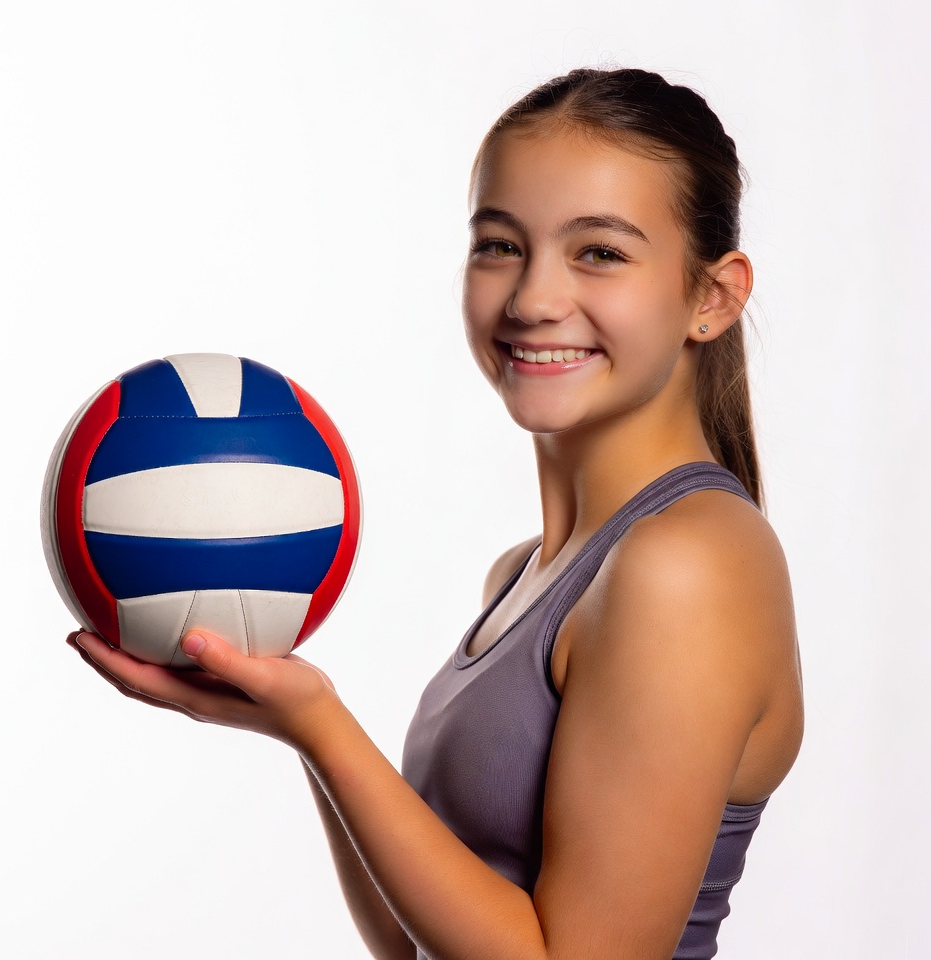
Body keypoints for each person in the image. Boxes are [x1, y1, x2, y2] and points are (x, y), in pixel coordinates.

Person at [70, 67, 804, 960]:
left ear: (711, 297)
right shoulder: (524, 575)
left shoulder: (686, 563)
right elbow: (415, 939)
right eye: (500, 245)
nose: (534, 298)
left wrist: (322, 725)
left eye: (599, 252)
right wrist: (291, 726)